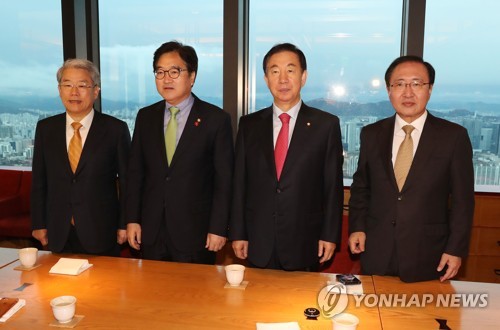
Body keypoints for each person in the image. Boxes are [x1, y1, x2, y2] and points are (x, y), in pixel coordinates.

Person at [348, 55, 475, 283]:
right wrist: (357, 227)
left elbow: (462, 201)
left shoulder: (453, 137)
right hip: (377, 249)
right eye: (399, 84)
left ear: (430, 89)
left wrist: (455, 249)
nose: (408, 92)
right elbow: (361, 188)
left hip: (428, 253)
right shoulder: (372, 134)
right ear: (389, 90)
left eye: (416, 84)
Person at [229, 43, 344, 271]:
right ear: (266, 79)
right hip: (258, 241)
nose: (282, 79)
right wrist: (238, 233)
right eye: (274, 71)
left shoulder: (326, 125)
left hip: (305, 241)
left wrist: (330, 235)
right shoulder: (249, 125)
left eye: (290, 71)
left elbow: (332, 187)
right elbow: (240, 183)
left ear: (303, 77)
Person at [126, 41, 234, 264]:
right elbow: (136, 173)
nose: (167, 78)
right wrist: (132, 219)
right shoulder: (146, 117)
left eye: (175, 71)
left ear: (192, 76)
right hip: (151, 231)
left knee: (194, 296)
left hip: (196, 233)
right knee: (152, 293)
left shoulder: (215, 119)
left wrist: (218, 228)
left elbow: (224, 180)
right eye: (160, 72)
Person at [31, 59, 131, 256]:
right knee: (58, 286)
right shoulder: (45, 129)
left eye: (82, 85)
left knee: (104, 286)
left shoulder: (115, 129)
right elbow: (39, 181)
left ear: (95, 91)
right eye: (67, 85)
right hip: (58, 230)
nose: (74, 92)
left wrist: (124, 224)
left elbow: (128, 183)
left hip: (102, 230)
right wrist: (38, 223)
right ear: (59, 90)